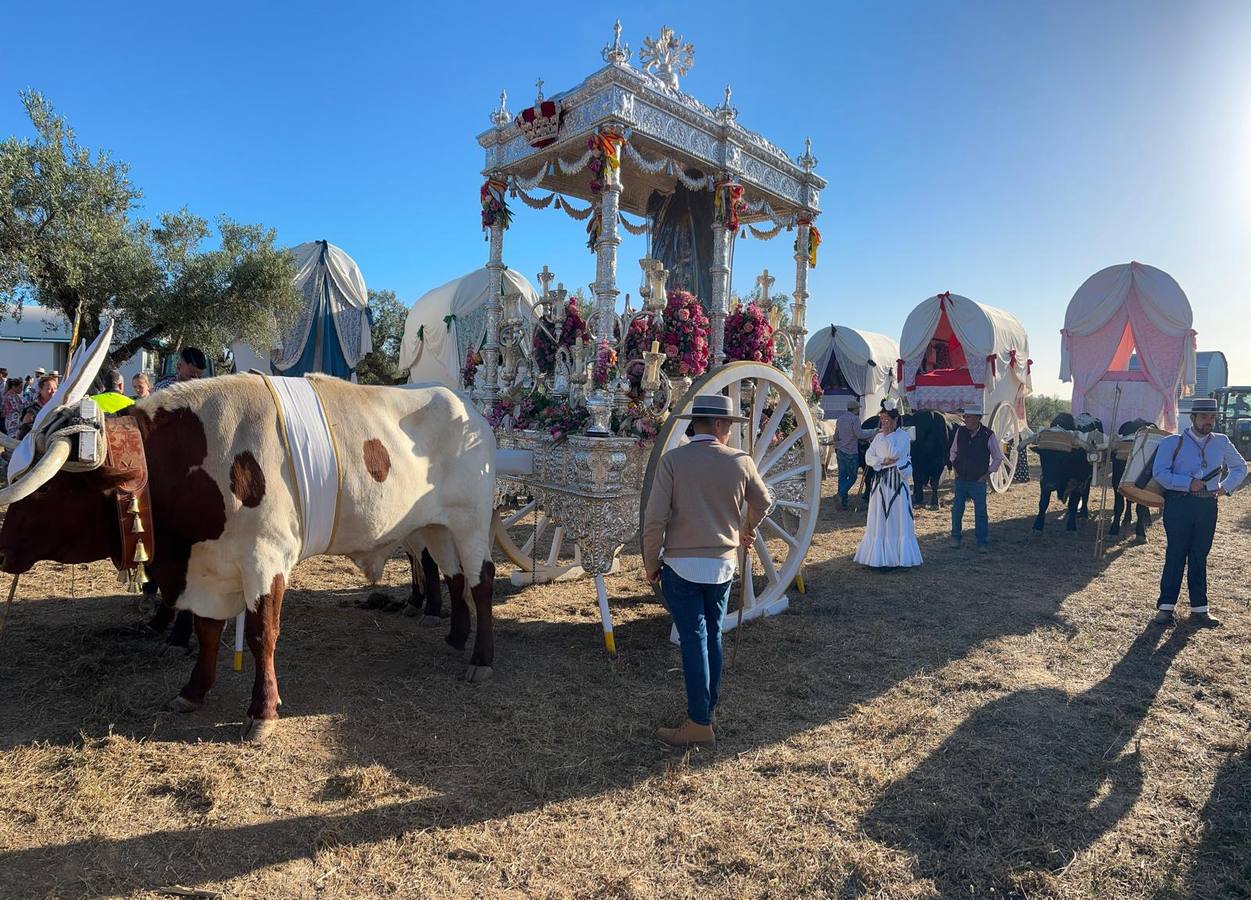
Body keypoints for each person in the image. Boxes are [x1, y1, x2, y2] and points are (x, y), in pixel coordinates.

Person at [642, 394, 771, 748]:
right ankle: (707, 709)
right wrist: (746, 527)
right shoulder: (741, 461)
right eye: (728, 423)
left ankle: (699, 721)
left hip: (681, 564)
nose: (729, 430)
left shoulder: (673, 461)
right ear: (717, 424)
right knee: (712, 635)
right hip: (723, 564)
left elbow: (654, 520)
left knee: (694, 639)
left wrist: (651, 563)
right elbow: (764, 501)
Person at [1151, 398, 1247, 628]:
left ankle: (1200, 609)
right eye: (1204, 417)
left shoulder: (1221, 441)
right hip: (1179, 504)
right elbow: (1160, 473)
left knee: (1199, 555)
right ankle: (1165, 608)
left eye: (1212, 417)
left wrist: (1226, 487)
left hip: (1207, 506)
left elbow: (1240, 467)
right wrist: (1187, 483)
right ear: (1193, 418)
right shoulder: (1172, 442)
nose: (1208, 421)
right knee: (1175, 553)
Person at [855, 400, 923, 568]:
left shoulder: (902, 436)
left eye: (886, 419)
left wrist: (887, 440)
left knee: (895, 517)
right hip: (880, 482)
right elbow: (868, 457)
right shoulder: (878, 437)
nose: (883, 423)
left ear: (895, 420)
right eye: (882, 419)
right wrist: (881, 461)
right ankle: (879, 557)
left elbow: (894, 453)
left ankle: (897, 557)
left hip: (896, 484)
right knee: (880, 516)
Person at [948, 404, 1004, 551]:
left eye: (969, 417)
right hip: (961, 479)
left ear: (978, 418)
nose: (966, 419)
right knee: (957, 510)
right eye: (965, 417)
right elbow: (953, 451)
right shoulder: (960, 432)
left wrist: (986, 475)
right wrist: (956, 469)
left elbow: (998, 457)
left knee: (980, 513)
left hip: (978, 481)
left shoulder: (988, 435)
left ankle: (982, 542)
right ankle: (955, 537)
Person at [832, 399, 875, 510]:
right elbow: (860, 434)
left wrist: (836, 445)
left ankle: (843, 503)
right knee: (852, 477)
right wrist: (873, 431)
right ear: (855, 409)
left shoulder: (840, 418)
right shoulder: (854, 419)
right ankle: (840, 494)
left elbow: (836, 435)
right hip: (851, 452)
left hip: (841, 451)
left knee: (842, 476)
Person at [19, 374, 58, 438]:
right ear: (40, 390)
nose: (53, 391)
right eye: (49, 389)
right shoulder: (32, 412)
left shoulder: (59, 409)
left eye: (55, 389)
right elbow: (23, 437)